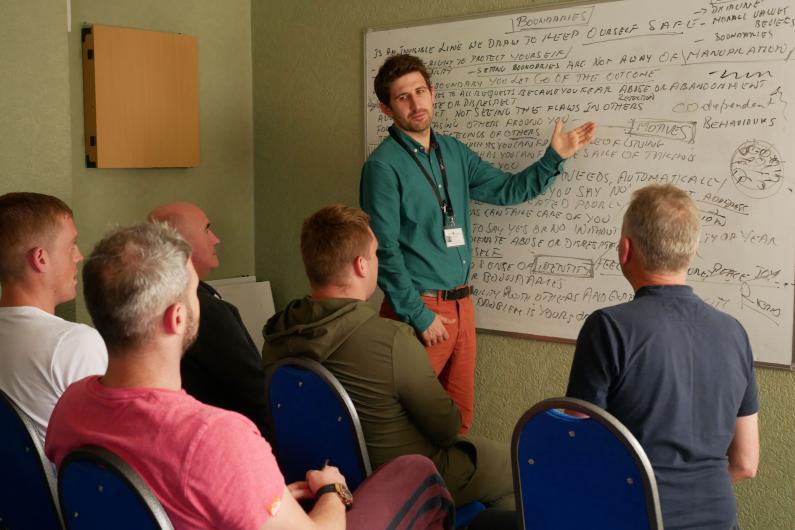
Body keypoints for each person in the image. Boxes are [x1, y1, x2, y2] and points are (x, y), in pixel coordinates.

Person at [46, 222, 454, 530]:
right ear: (177, 318)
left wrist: (260, 492)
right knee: (415, 471)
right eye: (195, 292)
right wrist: (331, 490)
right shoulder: (217, 437)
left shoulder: (71, 407)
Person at [360, 54, 596, 433]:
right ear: (386, 108)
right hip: (419, 309)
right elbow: (382, 249)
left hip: (462, 305)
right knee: (399, 422)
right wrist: (418, 315)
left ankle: (444, 491)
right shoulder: (383, 167)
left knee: (457, 419)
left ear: (433, 93)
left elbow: (506, 189)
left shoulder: (452, 152)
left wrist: (554, 158)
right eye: (403, 97)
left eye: (421, 91)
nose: (416, 104)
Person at [262, 205, 514, 509]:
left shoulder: (277, 336)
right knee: (512, 465)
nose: (378, 262)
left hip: (321, 481)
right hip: (399, 486)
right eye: (376, 254)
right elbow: (446, 428)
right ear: (361, 266)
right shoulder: (391, 340)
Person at [566, 184, 759, 530]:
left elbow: (576, 445)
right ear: (691, 252)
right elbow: (746, 462)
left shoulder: (608, 327)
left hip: (632, 516)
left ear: (626, 250)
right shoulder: (735, 333)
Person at [148, 202, 268, 436]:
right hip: (227, 440)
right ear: (181, 245)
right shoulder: (206, 312)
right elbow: (256, 393)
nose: (215, 239)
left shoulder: (147, 302)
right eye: (206, 229)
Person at [0, 192, 107, 442]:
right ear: (40, 258)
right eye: (72, 245)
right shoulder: (74, 343)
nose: (78, 256)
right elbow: (113, 453)